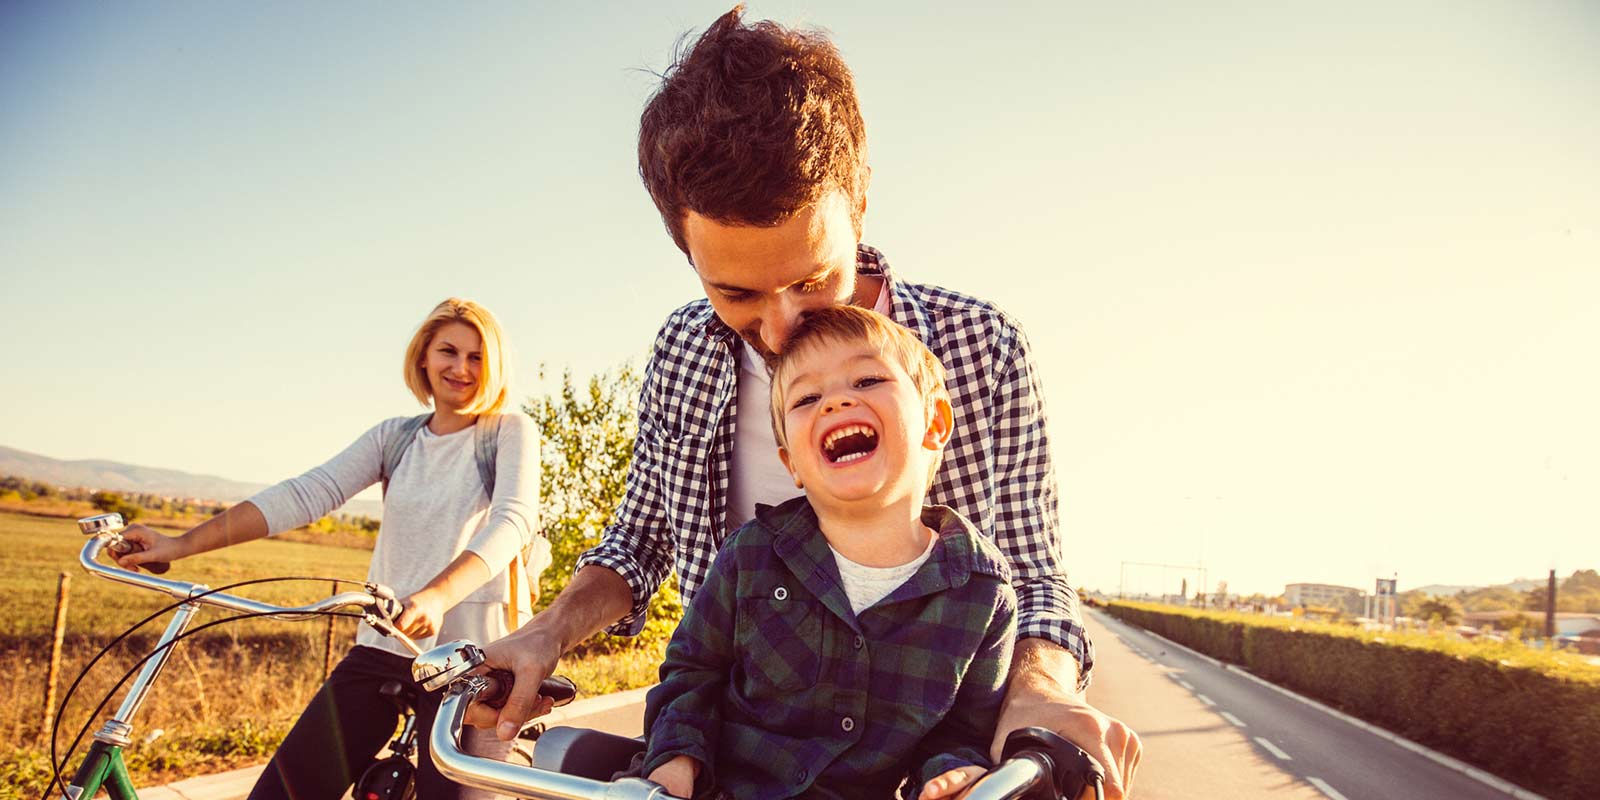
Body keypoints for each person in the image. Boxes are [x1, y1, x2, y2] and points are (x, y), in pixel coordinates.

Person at [473, 7, 1140, 796]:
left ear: (858, 205)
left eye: (812, 278)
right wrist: (545, 633)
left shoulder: (982, 347)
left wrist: (1039, 689)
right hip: (716, 769)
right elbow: (638, 544)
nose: (782, 326)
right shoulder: (684, 350)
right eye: (736, 291)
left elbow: (1031, 570)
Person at [113, 298, 544, 800]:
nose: (461, 368)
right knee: (285, 792)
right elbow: (306, 493)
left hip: (473, 660)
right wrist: (180, 543)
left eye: (478, 358)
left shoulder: (508, 433)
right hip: (386, 645)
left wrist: (437, 596)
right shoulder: (395, 438)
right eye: (448, 351)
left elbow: (513, 521)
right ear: (423, 356)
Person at [641, 305, 1015, 800]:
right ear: (792, 463)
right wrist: (675, 762)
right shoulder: (750, 555)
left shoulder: (982, 593)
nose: (836, 402)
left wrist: (951, 773)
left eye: (866, 380)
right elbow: (692, 675)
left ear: (935, 423)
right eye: (808, 397)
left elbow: (964, 732)